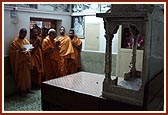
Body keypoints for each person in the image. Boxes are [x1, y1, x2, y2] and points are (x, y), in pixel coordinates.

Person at [9, 28, 33, 97]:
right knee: (21, 78)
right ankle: (21, 90)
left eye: (25, 34)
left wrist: (29, 50)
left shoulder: (26, 41)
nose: (24, 35)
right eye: (23, 33)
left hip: (26, 62)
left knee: (27, 77)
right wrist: (19, 51)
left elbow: (28, 50)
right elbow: (13, 52)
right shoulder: (15, 42)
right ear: (20, 33)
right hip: (20, 63)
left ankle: (27, 88)